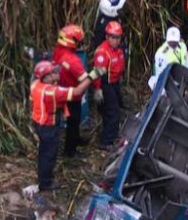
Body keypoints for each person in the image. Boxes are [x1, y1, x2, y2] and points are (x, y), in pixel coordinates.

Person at [30, 60, 94, 190]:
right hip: (48, 126)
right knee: (49, 154)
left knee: (44, 152)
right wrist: (92, 76)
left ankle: (44, 178)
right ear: (46, 77)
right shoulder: (52, 92)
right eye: (53, 72)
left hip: (38, 122)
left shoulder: (36, 84)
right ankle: (45, 183)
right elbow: (76, 92)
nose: (57, 73)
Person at [53, 24, 90, 158]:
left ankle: (76, 138)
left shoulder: (58, 51)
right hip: (73, 94)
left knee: (71, 120)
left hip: (61, 90)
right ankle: (70, 150)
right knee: (74, 121)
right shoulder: (73, 60)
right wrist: (95, 75)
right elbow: (84, 79)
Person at [93, 21, 126, 151]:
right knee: (113, 113)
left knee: (113, 111)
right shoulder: (103, 52)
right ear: (107, 37)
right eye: (113, 37)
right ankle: (105, 141)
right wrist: (97, 88)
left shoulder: (118, 50)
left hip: (115, 82)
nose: (116, 40)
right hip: (105, 84)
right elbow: (97, 72)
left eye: (118, 37)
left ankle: (111, 136)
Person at [149, 26, 188, 91]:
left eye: (175, 40)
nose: (173, 43)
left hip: (182, 79)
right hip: (168, 83)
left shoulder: (182, 46)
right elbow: (160, 74)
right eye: (171, 40)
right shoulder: (161, 53)